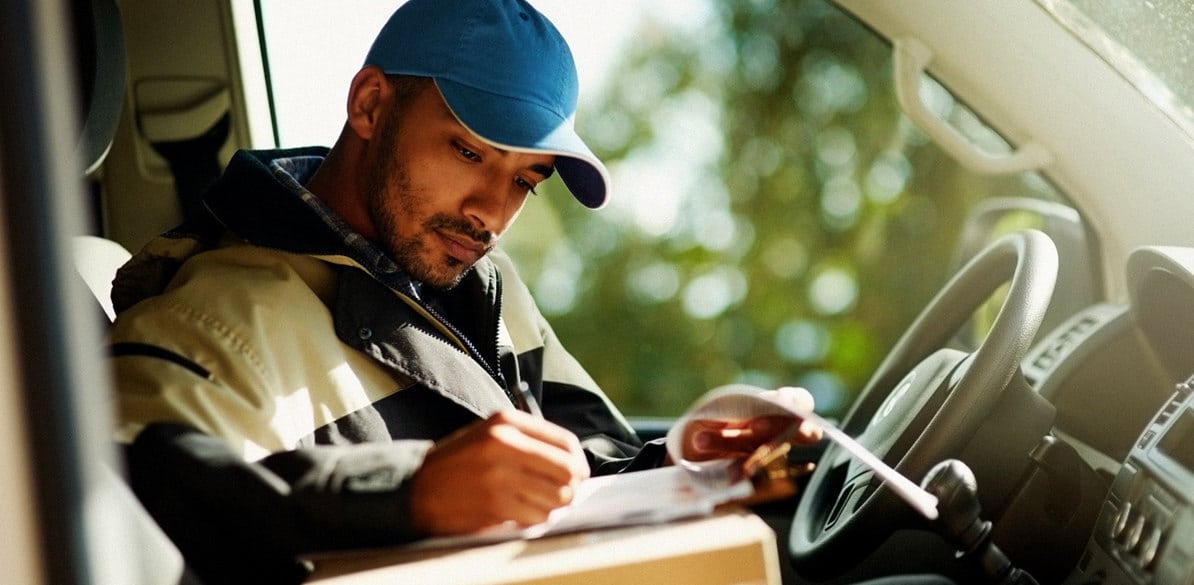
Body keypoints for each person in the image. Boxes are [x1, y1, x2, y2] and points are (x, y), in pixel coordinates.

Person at [107, 1, 820, 583]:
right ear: (370, 104)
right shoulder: (219, 313)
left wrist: (679, 463)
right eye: (469, 151)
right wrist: (408, 490)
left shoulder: (486, 281)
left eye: (524, 179)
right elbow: (127, 483)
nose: (490, 210)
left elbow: (584, 453)